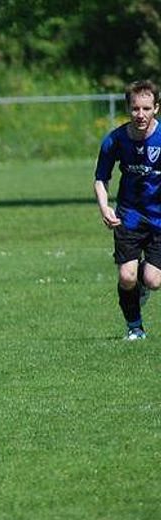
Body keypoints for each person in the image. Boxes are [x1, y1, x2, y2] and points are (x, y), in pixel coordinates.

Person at [94, 79, 161, 340]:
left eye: (146, 108)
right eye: (135, 108)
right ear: (128, 108)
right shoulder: (115, 140)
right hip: (129, 216)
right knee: (126, 276)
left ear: (156, 108)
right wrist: (105, 208)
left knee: (153, 280)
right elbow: (101, 178)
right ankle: (135, 328)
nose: (140, 114)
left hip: (159, 219)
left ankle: (142, 284)